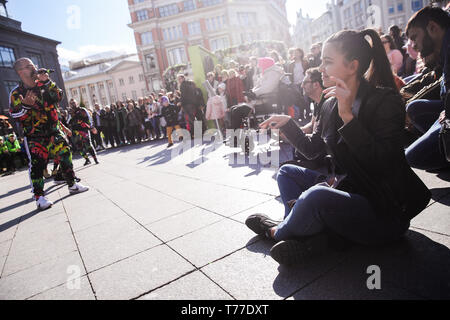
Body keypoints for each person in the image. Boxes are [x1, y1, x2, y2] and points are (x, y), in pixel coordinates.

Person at [245, 29, 431, 266]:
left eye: (327, 62)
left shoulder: (385, 101)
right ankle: (307, 235)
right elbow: (314, 150)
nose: (320, 68)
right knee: (286, 172)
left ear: (352, 66)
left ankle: (278, 232)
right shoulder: (329, 102)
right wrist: (289, 125)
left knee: (317, 196)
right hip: (347, 189)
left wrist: (348, 118)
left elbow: (383, 163)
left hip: (383, 212)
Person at [9, 58, 89, 210]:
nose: (34, 68)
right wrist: (25, 105)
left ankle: (72, 184)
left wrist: (48, 82)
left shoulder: (43, 85)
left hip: (54, 130)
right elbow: (15, 116)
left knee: (65, 154)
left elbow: (58, 97)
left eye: (33, 65)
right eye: (29, 67)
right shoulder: (16, 93)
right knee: (38, 165)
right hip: (34, 135)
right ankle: (40, 197)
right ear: (21, 72)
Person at [405, 6, 450, 170]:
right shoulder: (443, 52)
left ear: (433, 28)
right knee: (414, 108)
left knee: (414, 157)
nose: (414, 46)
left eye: (415, 37)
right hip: (446, 111)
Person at [68, 98, 99, 165]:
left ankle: (95, 159)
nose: (72, 104)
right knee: (79, 147)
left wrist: (91, 127)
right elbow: (68, 121)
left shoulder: (82, 110)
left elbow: (88, 119)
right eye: (71, 103)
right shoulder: (70, 112)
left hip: (84, 130)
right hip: (75, 132)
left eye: (73, 103)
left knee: (89, 145)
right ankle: (87, 159)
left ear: (77, 103)